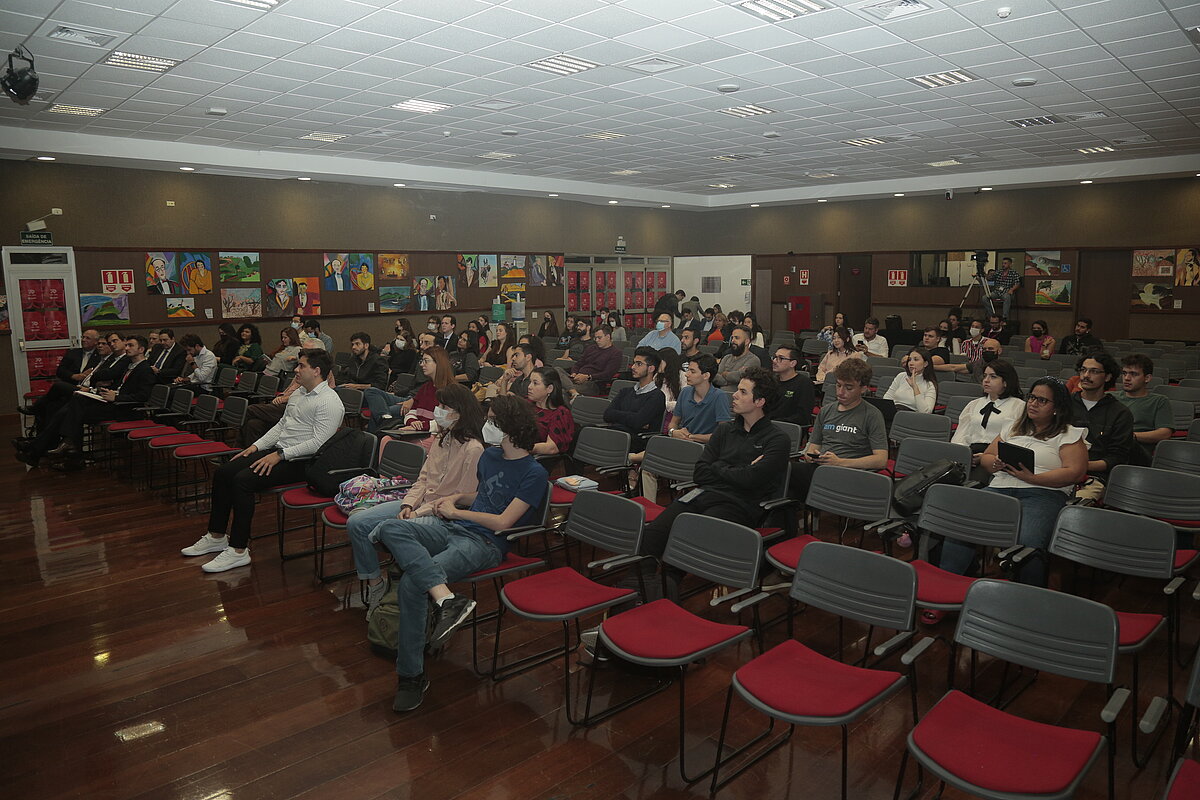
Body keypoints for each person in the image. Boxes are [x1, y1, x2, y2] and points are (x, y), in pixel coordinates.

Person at [377, 394, 549, 712]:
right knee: (389, 528)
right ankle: (446, 599)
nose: (486, 424)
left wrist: (458, 513)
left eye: (493, 419)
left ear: (510, 428)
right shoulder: (490, 456)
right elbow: (483, 495)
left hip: (485, 543)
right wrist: (458, 499)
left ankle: (410, 676)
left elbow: (502, 521)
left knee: (413, 584)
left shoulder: (534, 474)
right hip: (457, 528)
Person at [179, 348, 342, 571]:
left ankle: (238, 550)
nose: (296, 369)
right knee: (224, 472)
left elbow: (318, 443)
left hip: (304, 462)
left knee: (243, 481)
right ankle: (216, 536)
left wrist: (280, 455)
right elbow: (281, 426)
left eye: (301, 366)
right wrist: (255, 447)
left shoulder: (330, 401)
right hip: (280, 452)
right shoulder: (298, 394)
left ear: (316, 371)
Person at [634, 367, 790, 598]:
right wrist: (737, 470)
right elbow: (700, 473)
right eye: (737, 390)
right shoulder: (725, 430)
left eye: (742, 392)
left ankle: (663, 593)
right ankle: (640, 589)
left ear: (759, 401)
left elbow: (751, 481)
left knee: (687, 537)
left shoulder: (777, 439)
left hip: (738, 505)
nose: (734, 395)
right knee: (653, 534)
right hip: (703, 493)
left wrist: (720, 468)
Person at [351, 383, 487, 614]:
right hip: (419, 503)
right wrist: (407, 504)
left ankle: (403, 589)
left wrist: (417, 513)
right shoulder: (442, 439)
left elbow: (457, 499)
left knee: (386, 529)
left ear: (460, 412)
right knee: (357, 523)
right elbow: (423, 479)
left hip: (443, 515)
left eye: (444, 406)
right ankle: (375, 584)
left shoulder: (473, 449)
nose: (438, 410)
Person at [940, 377, 1088, 588]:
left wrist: (1033, 478)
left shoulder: (1068, 434)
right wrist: (996, 463)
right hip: (1001, 486)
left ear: (1057, 408)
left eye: (1042, 401)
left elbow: (1074, 472)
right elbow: (987, 458)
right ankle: (948, 587)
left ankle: (1025, 597)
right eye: (1032, 397)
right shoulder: (1013, 428)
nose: (1033, 403)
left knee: (1028, 543)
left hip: (1043, 493)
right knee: (963, 526)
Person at [15, 336, 158, 470]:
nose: (126, 348)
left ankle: (42, 448)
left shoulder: (145, 369)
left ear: (141, 350)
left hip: (125, 410)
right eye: (126, 345)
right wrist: (103, 391)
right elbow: (120, 388)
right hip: (112, 403)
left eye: (130, 345)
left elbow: (142, 396)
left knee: (72, 410)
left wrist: (116, 398)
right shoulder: (130, 366)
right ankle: (62, 450)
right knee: (73, 405)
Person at [791, 358, 888, 502]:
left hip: (849, 472)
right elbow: (813, 446)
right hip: (822, 468)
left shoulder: (872, 415)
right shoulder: (826, 411)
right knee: (785, 470)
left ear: (863, 388)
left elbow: (881, 460)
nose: (841, 392)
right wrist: (811, 456)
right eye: (838, 385)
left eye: (849, 388)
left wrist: (839, 462)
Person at [1070, 352, 1135, 500]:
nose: (1086, 375)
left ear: (1107, 377)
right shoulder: (1065, 404)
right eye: (1083, 370)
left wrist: (1081, 466)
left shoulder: (1120, 413)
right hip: (1055, 469)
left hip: (1093, 477)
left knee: (1068, 505)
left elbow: (1116, 458)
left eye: (1094, 371)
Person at [951, 358, 1024, 484]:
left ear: (1005, 382)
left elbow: (1015, 439)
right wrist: (963, 455)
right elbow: (961, 434)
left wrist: (986, 457)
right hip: (969, 453)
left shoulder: (1018, 406)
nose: (986, 380)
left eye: (993, 376)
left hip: (996, 457)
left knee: (973, 484)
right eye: (985, 376)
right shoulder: (973, 404)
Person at [16, 327, 101, 421]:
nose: (83, 340)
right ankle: (43, 431)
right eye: (83, 337)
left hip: (85, 390)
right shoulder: (73, 353)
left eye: (87, 338)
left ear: (95, 342)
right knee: (50, 407)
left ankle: (37, 408)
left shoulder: (100, 356)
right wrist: (74, 376)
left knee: (58, 387)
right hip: (69, 388)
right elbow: (60, 371)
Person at [375, 347, 454, 433]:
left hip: (432, 434)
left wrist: (419, 427)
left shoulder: (450, 391)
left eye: (426, 361)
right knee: (386, 439)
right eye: (422, 361)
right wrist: (412, 422)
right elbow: (411, 411)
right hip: (417, 430)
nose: (422, 364)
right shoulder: (425, 387)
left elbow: (444, 423)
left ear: (438, 363)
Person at [1113, 354, 1174, 465]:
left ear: (1147, 378)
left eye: (1134, 374)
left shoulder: (1159, 401)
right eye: (1125, 373)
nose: (1127, 378)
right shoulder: (1111, 397)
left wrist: (1130, 436)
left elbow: (1164, 433)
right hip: (1109, 446)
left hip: (1137, 452)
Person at [603, 347, 667, 448]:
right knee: (585, 430)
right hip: (616, 433)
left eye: (639, 364)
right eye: (634, 363)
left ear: (651, 368)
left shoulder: (657, 396)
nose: (633, 367)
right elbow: (607, 415)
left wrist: (618, 416)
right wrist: (632, 417)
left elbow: (637, 422)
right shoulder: (625, 391)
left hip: (635, 440)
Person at [667, 354, 731, 445]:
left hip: (704, 448)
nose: (686, 374)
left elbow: (723, 435)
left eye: (692, 371)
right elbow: (673, 423)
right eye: (688, 370)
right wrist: (673, 431)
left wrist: (692, 437)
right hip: (682, 443)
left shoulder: (719, 397)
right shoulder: (685, 392)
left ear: (706, 375)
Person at [526, 367, 576, 457]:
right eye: (530, 382)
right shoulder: (527, 404)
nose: (529, 387)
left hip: (537, 459)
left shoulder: (560, 413)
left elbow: (552, 447)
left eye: (535, 383)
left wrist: (524, 448)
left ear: (549, 388)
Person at [567, 324, 622, 396]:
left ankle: (570, 390)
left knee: (561, 389)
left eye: (599, 338)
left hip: (593, 383)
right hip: (576, 377)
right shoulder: (591, 348)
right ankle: (572, 391)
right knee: (557, 370)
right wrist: (574, 373)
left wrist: (588, 377)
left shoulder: (616, 353)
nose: (596, 340)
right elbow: (578, 364)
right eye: (595, 338)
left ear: (608, 337)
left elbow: (607, 374)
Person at [769, 344, 815, 428]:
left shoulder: (804, 384)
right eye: (775, 357)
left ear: (792, 363)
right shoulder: (771, 381)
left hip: (788, 428)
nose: (775, 361)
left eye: (781, 358)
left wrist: (775, 422)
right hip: (769, 426)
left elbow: (802, 417)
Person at [885, 347, 938, 413]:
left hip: (912, 417)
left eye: (916, 360)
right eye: (909, 359)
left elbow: (925, 412)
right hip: (894, 412)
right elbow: (887, 398)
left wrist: (914, 387)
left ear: (925, 364)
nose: (911, 363)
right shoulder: (901, 376)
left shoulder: (929, 385)